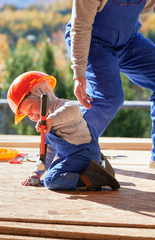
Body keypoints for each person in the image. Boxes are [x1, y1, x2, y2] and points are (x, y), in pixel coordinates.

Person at [65, 0, 155, 168]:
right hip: (92, 42)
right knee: (109, 99)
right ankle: (70, 155)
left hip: (128, 41)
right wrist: (79, 73)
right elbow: (80, 27)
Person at [7, 71, 120, 191]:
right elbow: (47, 153)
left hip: (83, 153)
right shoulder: (45, 124)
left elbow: (74, 108)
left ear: (41, 94)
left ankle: (93, 178)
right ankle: (95, 169)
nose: (32, 116)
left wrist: (51, 120)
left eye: (30, 108)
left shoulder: (60, 106)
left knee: (50, 180)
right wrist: (37, 173)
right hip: (75, 157)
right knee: (52, 172)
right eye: (27, 114)